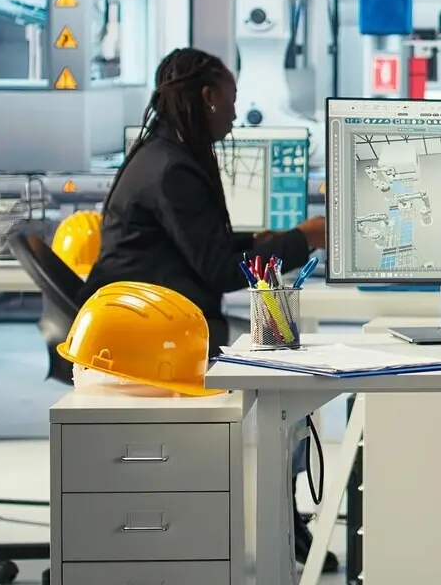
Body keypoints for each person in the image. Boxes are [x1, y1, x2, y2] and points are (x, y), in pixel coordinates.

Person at [78, 47, 337, 571]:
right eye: (232, 101)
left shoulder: (164, 154)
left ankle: (287, 531)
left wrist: (264, 240)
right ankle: (285, 539)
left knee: (285, 377)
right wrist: (304, 237)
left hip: (154, 324)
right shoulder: (173, 168)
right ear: (207, 96)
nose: (236, 114)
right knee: (287, 388)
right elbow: (221, 270)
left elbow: (199, 244)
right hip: (147, 345)